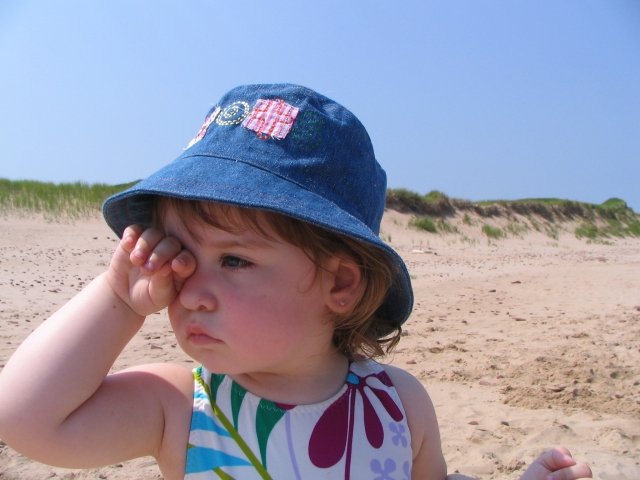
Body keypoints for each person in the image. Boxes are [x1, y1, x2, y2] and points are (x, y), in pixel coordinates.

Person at [0, 84, 591, 480]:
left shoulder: (398, 404)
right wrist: (117, 300)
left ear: (341, 284)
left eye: (234, 260)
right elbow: (26, 419)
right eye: (181, 256)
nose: (190, 291)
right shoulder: (181, 407)